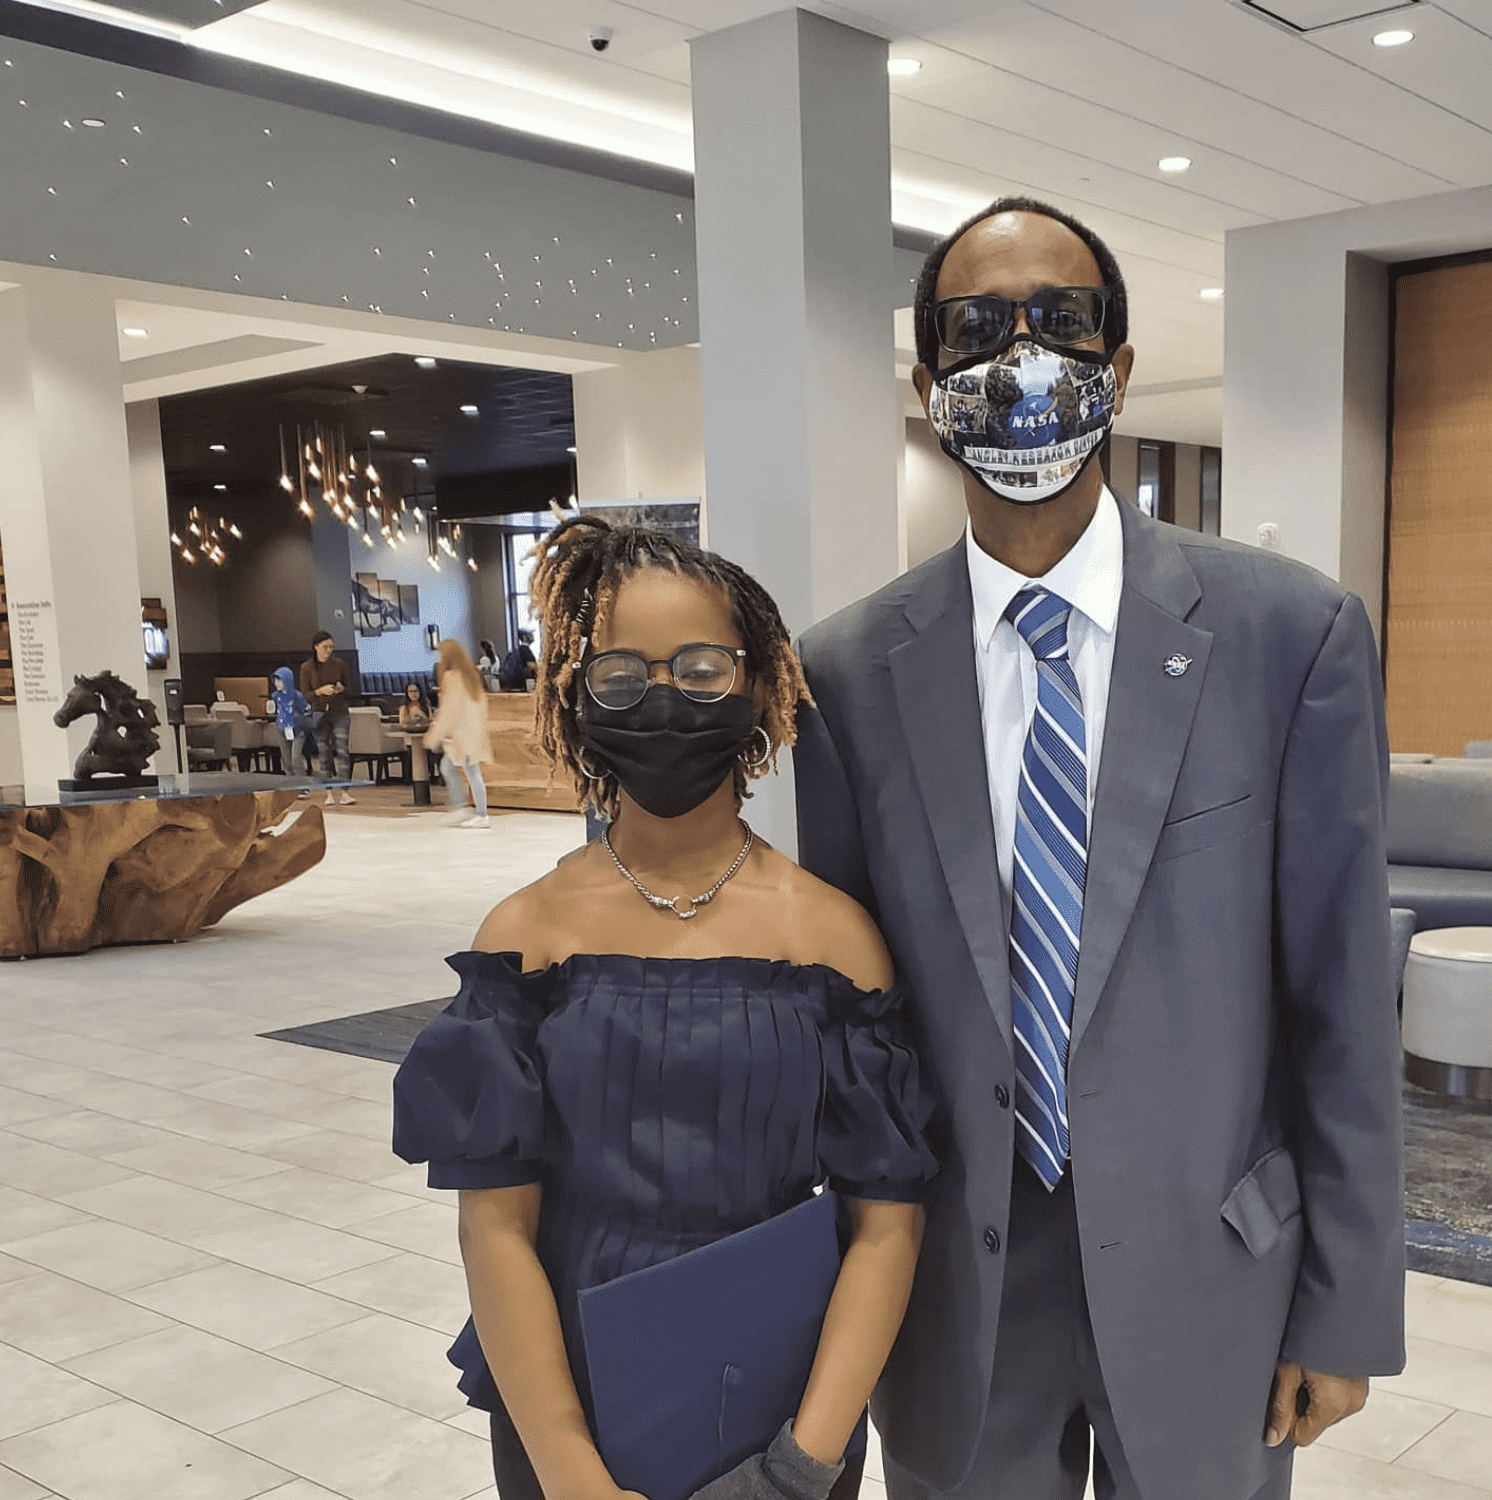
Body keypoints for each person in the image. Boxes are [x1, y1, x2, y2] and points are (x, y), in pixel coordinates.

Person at [792, 197, 1404, 1500]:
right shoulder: (844, 672)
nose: (1023, 359)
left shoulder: (1290, 638)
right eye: (979, 330)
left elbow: (1341, 999)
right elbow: (851, 1020)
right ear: (928, 381)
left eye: (1061, 324)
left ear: (1118, 368)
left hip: (1215, 1271)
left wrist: (1347, 1304)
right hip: (955, 1283)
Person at [392, 518, 938, 1500]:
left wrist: (800, 1466)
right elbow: (496, 1229)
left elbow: (885, 1225)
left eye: (698, 669)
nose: (662, 700)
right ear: (574, 698)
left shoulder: (832, 939)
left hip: (784, 1390)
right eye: (621, 676)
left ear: (760, 683)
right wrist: (568, 1473)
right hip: (572, 1386)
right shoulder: (526, 937)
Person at [425, 638, 492, 829]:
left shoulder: (453, 677)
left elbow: (449, 711)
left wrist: (434, 735)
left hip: (464, 734)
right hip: (472, 732)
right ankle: (462, 808)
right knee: (449, 767)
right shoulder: (471, 675)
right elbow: (480, 706)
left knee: (467, 771)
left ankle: (479, 813)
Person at [300, 629, 355, 806]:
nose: (329, 650)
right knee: (323, 752)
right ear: (316, 647)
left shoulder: (339, 664)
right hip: (319, 712)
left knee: (342, 750)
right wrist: (319, 691)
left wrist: (340, 688)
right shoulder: (307, 668)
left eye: (331, 647)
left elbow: (350, 689)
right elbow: (305, 694)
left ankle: (344, 792)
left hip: (339, 711)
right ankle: (328, 792)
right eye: (325, 647)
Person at [268, 666, 313, 781]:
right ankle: (291, 785)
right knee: (286, 761)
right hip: (282, 729)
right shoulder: (276, 696)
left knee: (296, 759)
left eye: (280, 680)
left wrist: (303, 724)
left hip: (297, 730)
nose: (277, 683)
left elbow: (306, 712)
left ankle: (302, 786)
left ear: (287, 680)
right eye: (275, 680)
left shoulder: (297, 696)